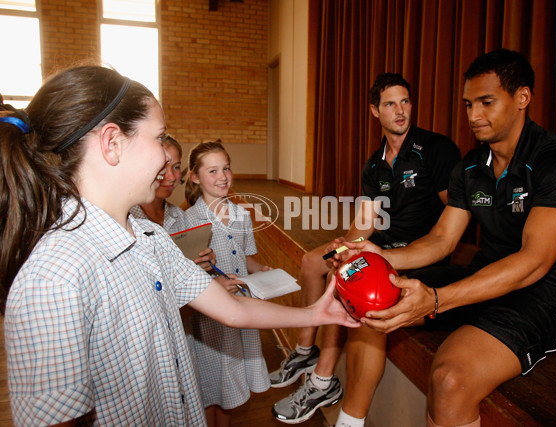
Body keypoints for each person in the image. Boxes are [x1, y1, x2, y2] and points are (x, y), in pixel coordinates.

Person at [0, 65, 360, 426]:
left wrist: (316, 314)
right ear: (112, 143)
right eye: (158, 138)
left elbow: (233, 309)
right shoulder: (53, 279)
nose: (164, 161)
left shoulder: (147, 236)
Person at [334, 48, 556, 427]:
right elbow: (442, 239)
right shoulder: (471, 167)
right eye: (469, 104)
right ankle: (349, 420)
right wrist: (380, 255)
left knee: (448, 379)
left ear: (522, 97)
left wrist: (437, 299)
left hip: (547, 294)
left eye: (486, 102)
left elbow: (534, 262)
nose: (474, 116)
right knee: (377, 303)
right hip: (483, 276)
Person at [271, 73, 461, 423]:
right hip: (380, 243)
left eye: (405, 101)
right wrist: (348, 244)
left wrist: (368, 253)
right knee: (319, 260)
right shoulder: (374, 164)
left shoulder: (436, 149)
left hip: (419, 251)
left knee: (352, 282)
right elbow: (366, 221)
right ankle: (304, 351)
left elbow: (454, 218)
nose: (400, 110)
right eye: (390, 104)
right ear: (375, 111)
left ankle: (324, 381)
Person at [182, 140, 274, 427]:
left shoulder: (241, 215)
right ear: (195, 177)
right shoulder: (188, 221)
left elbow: (247, 258)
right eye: (212, 171)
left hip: (241, 309)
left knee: (231, 388)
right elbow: (186, 274)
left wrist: (264, 270)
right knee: (213, 386)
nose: (222, 177)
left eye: (226, 168)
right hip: (211, 318)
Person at [130, 133, 216, 269]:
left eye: (176, 167)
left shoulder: (180, 217)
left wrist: (203, 262)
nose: (171, 177)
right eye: (162, 166)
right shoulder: (126, 218)